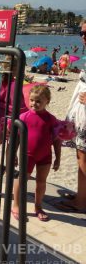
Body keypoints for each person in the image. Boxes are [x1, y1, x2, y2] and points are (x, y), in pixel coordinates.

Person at [11, 85, 61, 221]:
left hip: (45, 155)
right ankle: (16, 205)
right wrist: (13, 153)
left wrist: (58, 158)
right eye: (32, 100)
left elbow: (57, 140)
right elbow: (16, 138)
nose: (34, 104)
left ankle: (38, 206)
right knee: (22, 180)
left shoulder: (51, 119)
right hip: (27, 155)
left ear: (47, 101)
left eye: (39, 101)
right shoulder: (24, 117)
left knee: (41, 182)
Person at [55, 22, 86, 213]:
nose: (83, 36)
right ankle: (81, 195)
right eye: (81, 32)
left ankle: (81, 203)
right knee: (80, 155)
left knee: (83, 158)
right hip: (80, 112)